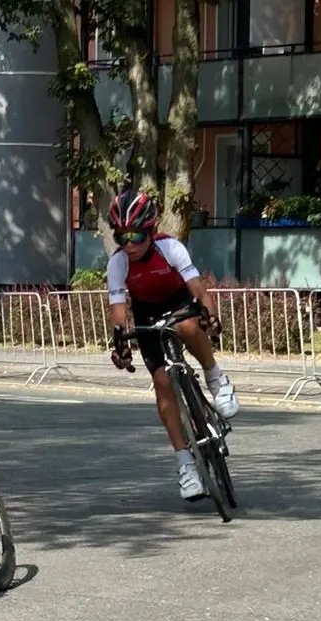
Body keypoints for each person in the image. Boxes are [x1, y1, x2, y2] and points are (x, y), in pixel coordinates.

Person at [105, 188, 239, 502]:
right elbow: (119, 311)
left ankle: (215, 377)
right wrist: (120, 344)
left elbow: (199, 291)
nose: (129, 244)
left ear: (150, 230)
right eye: (121, 236)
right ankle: (185, 464)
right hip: (148, 313)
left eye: (136, 236)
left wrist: (211, 315)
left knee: (189, 324)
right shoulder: (118, 263)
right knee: (162, 382)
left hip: (180, 303)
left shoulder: (170, 247)